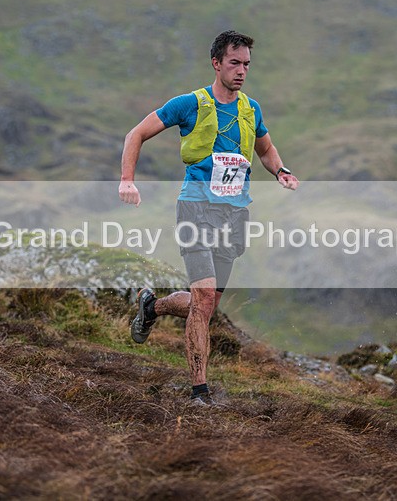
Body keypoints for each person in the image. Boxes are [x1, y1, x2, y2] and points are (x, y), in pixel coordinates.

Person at [118, 30, 299, 406]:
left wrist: (280, 171)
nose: (242, 71)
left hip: (234, 215)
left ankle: (153, 306)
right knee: (202, 300)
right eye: (234, 63)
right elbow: (135, 134)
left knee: (206, 305)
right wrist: (127, 181)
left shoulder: (251, 109)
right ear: (216, 63)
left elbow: (266, 149)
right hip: (196, 208)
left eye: (247, 64)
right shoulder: (189, 104)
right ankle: (199, 392)